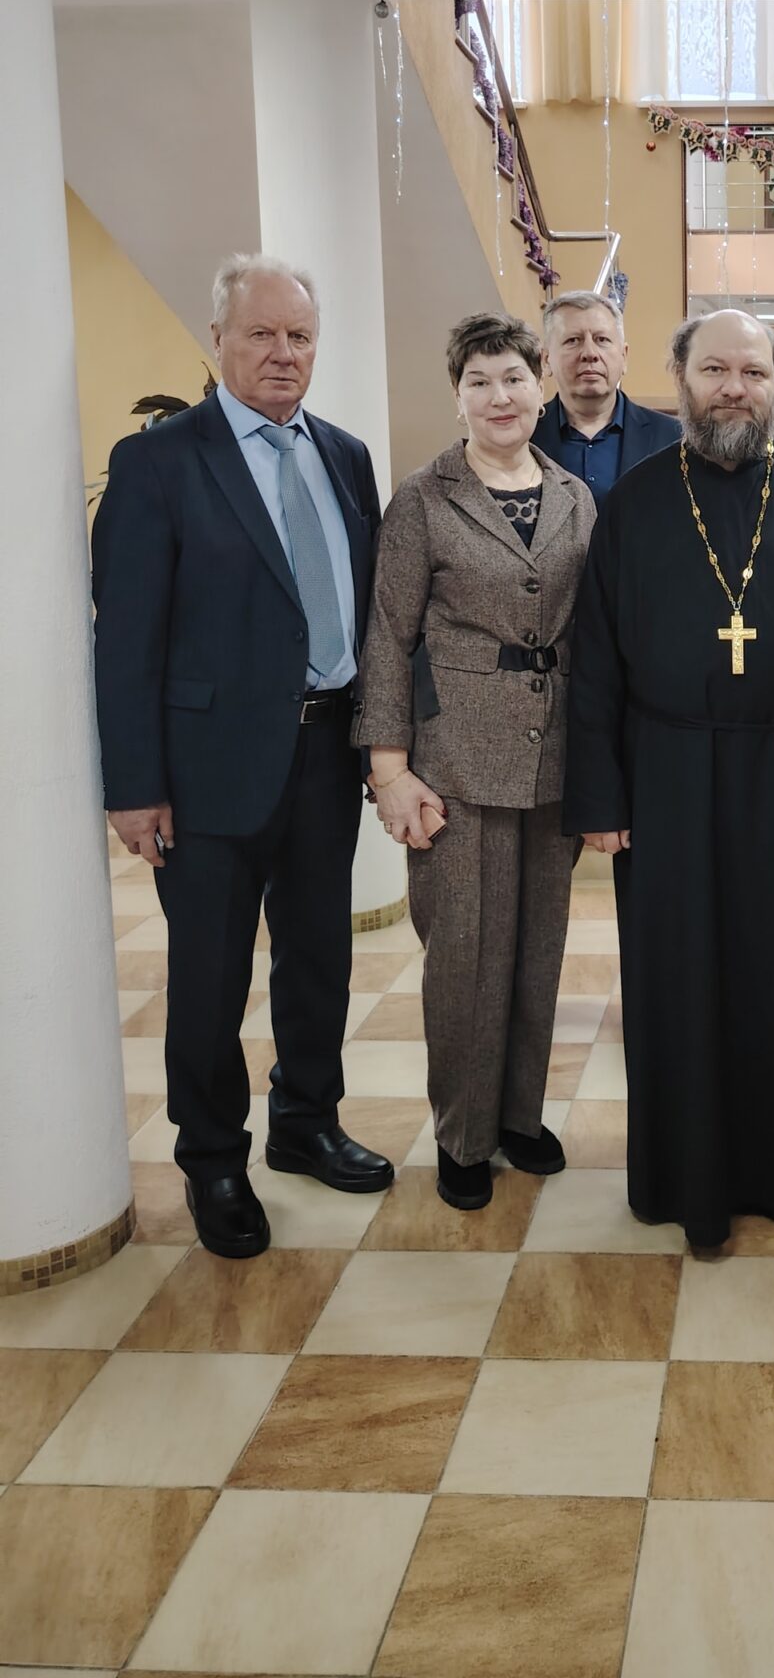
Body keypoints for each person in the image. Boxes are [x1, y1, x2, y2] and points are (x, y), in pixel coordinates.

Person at [564, 308, 774, 1249]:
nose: (734, 389)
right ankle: (681, 1181)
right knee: (672, 980)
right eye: (714, 370)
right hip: (664, 778)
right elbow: (595, 660)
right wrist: (600, 796)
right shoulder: (635, 500)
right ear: (680, 378)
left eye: (753, 372)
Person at [93, 254, 393, 1259]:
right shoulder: (160, 462)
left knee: (320, 958)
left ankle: (307, 1122)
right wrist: (135, 786)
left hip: (325, 755)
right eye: (261, 333)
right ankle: (214, 1158)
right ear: (218, 338)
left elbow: (370, 611)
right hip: (205, 772)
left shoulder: (345, 455)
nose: (282, 353)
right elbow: (125, 637)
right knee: (210, 977)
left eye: (299, 336)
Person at [355, 314, 596, 1211]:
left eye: (514, 379)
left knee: (537, 952)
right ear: (457, 396)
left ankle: (519, 1116)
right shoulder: (424, 499)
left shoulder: (574, 495)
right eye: (480, 382)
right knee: (464, 960)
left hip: (554, 759)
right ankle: (463, 1134)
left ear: (541, 387)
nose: (500, 397)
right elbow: (388, 639)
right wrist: (390, 771)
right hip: (453, 763)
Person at [531, 289, 681, 507]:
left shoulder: (672, 437)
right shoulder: (525, 434)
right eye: (573, 340)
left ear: (624, 356)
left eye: (602, 339)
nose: (590, 353)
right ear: (546, 360)